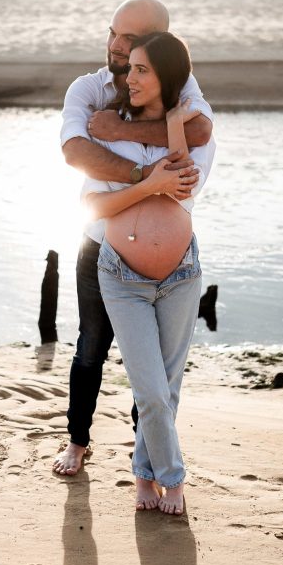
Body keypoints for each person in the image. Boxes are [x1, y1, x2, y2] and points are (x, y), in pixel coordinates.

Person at [53, 0, 215, 477]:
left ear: (156, 43)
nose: (116, 45)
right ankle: (77, 443)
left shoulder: (181, 82)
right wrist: (148, 174)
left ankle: (143, 460)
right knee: (91, 347)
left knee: (154, 372)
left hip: (165, 258)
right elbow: (75, 150)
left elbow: (201, 130)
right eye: (113, 33)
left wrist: (124, 127)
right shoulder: (88, 88)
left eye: (130, 39)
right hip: (100, 244)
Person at [83, 31, 211, 515]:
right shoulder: (109, 128)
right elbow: (93, 204)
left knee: (167, 389)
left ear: (166, 79)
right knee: (150, 389)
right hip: (121, 275)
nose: (128, 77)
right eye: (128, 68)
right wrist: (147, 183)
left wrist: (176, 122)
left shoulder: (189, 130)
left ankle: (143, 473)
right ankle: (173, 480)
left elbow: (181, 186)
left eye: (141, 70)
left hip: (181, 274)